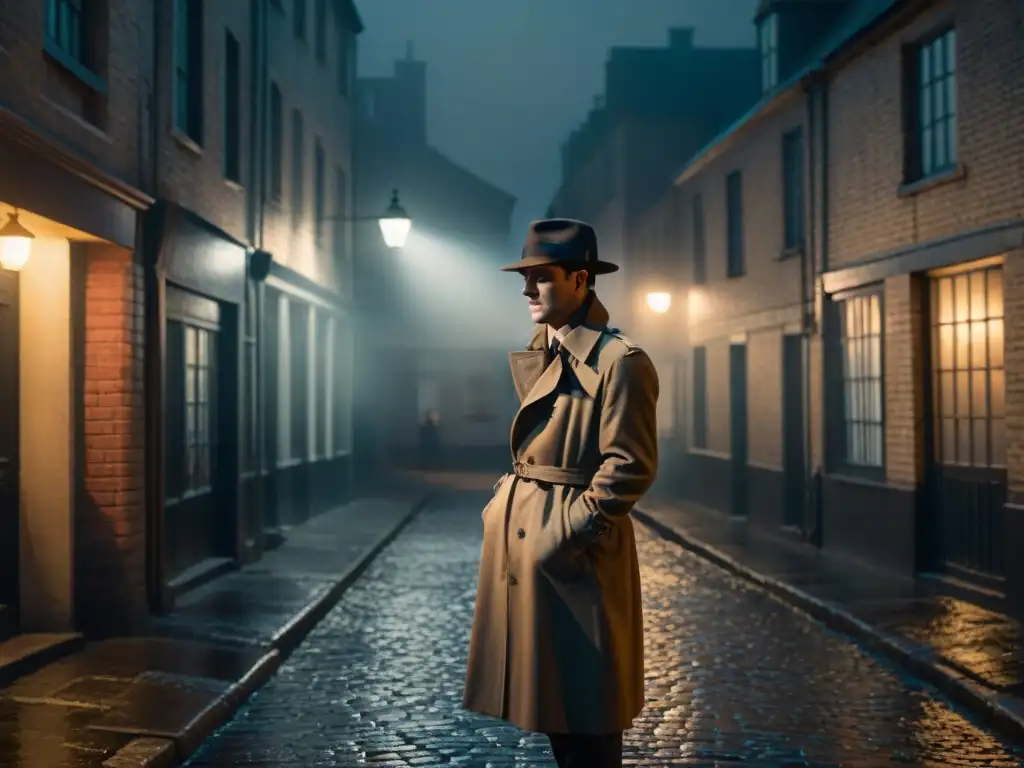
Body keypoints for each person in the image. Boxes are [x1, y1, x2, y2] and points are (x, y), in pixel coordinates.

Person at [462, 218, 659, 768]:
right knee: (555, 707)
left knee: (588, 715)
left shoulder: (621, 362)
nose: (527, 290)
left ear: (579, 280)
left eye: (540, 278)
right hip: (530, 545)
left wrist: (564, 537)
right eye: (524, 278)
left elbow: (629, 466)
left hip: (575, 555)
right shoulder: (545, 348)